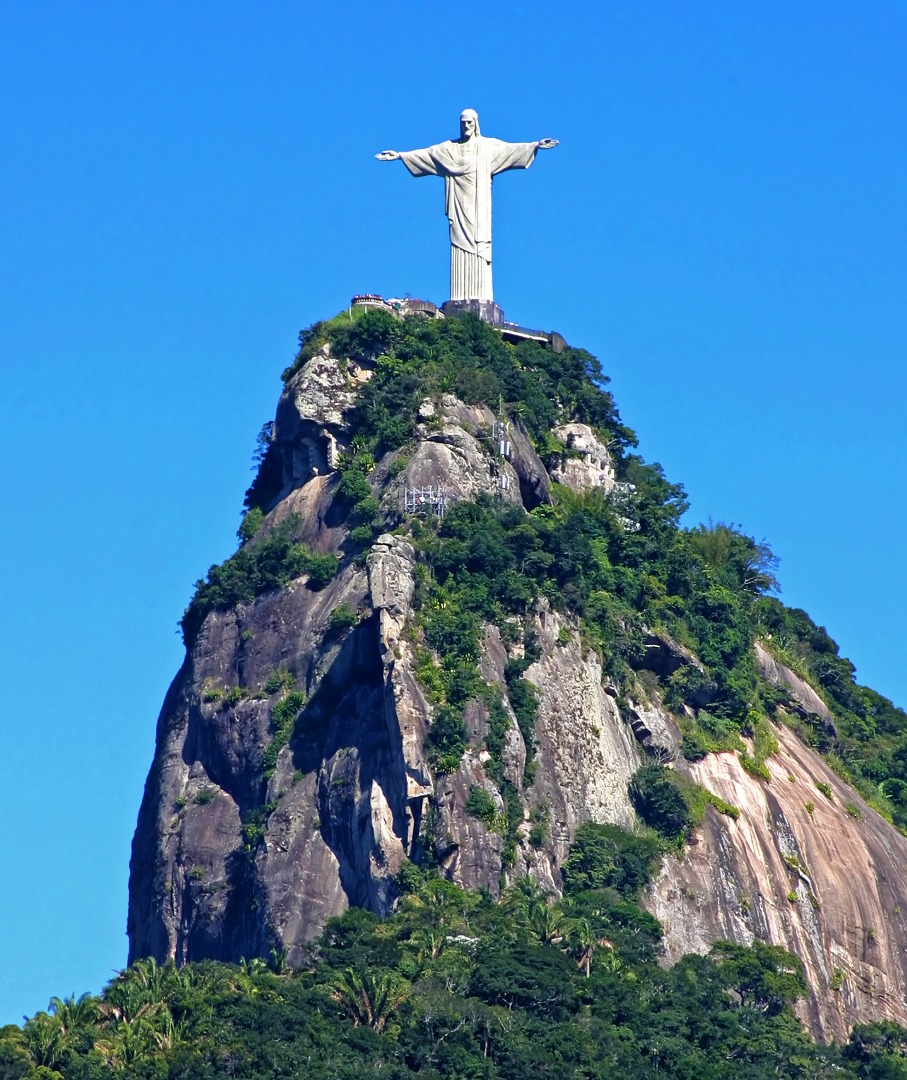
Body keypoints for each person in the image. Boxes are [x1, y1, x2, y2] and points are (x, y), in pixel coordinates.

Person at [377, 109, 558, 302]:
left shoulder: (487, 147)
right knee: (458, 245)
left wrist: (535, 145)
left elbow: (511, 150)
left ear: (476, 124)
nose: (466, 126)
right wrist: (399, 156)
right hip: (458, 207)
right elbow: (428, 155)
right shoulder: (449, 149)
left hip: (479, 209)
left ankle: (480, 297)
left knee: (480, 249)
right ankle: (460, 297)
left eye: (469, 123)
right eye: (463, 123)